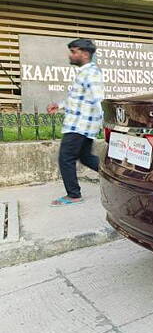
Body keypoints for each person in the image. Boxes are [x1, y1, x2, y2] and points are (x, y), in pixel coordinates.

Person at [47, 39, 104, 207]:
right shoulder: (84, 72)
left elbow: (98, 98)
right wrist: (60, 105)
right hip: (81, 124)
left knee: (66, 158)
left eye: (74, 51)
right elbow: (78, 98)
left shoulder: (91, 73)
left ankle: (73, 195)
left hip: (79, 125)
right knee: (85, 157)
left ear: (85, 54)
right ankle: (117, 177)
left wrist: (105, 121)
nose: (71, 55)